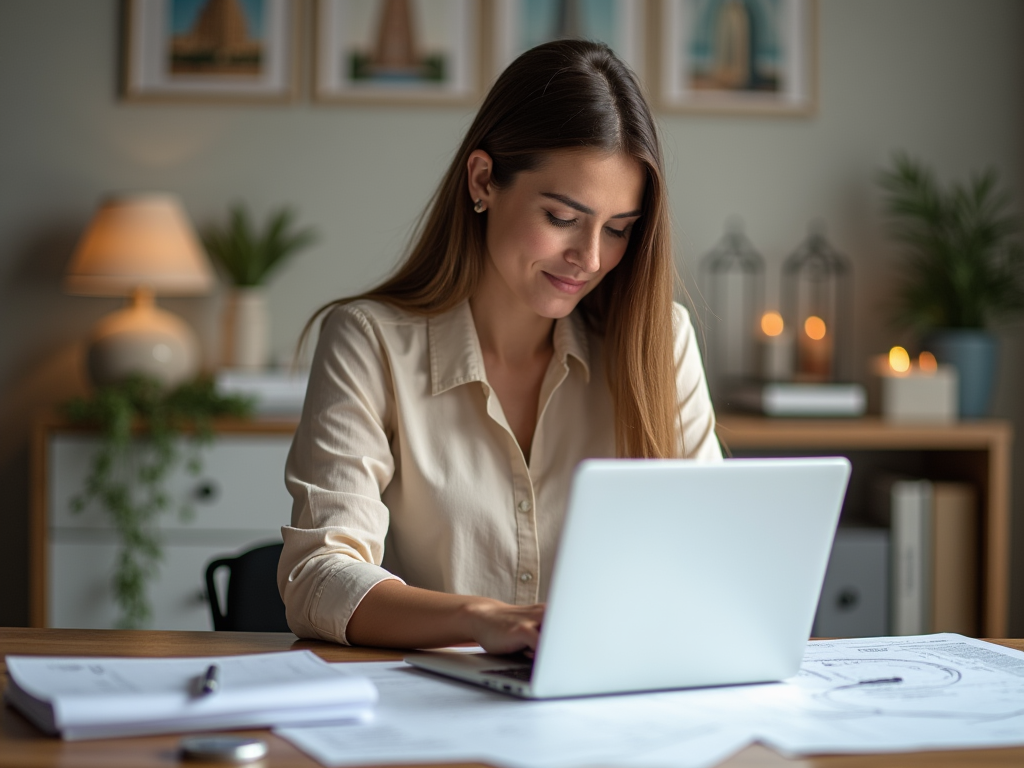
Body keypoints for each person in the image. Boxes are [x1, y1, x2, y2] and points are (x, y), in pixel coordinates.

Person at [278, 39, 722, 654]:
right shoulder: (369, 341)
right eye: (563, 218)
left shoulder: (660, 342)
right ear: (484, 180)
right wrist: (483, 619)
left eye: (618, 230)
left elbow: (714, 561)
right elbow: (318, 578)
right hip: (428, 717)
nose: (590, 259)